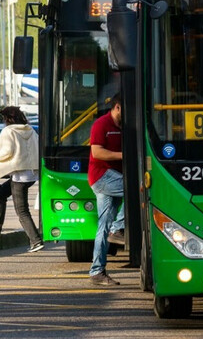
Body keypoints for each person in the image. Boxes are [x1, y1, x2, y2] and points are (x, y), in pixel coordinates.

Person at [0, 106, 44, 253]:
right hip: (31, 174)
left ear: (7, 119)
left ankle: (36, 241)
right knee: (0, 194)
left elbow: (6, 151)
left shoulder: (8, 131)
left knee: (22, 210)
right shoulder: (30, 130)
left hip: (19, 175)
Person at [87, 94, 124, 286]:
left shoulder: (125, 125)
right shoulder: (101, 124)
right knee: (136, 189)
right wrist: (123, 155)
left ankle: (97, 271)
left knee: (103, 227)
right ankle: (119, 229)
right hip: (102, 176)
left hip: (114, 177)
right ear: (117, 107)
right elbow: (97, 152)